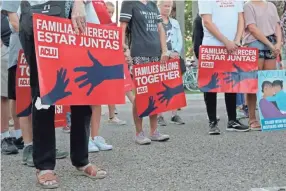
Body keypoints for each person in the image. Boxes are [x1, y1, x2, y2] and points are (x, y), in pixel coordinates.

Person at [17, 0, 106, 188]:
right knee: (43, 95)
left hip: (77, 21)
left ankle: (81, 159)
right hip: (38, 18)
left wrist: (80, 2)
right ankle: (45, 166)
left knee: (82, 94)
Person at [2, 0, 69, 166]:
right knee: (25, 99)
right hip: (23, 51)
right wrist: (35, 44)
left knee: (46, 98)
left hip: (46, 52)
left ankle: (46, 145)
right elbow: (14, 22)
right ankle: (29, 146)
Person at [120, 0, 170, 145]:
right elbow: (122, 27)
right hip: (139, 53)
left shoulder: (153, 5)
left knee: (154, 92)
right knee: (141, 94)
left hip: (156, 53)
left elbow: (160, 28)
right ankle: (139, 132)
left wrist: (164, 50)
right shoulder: (129, 3)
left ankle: (154, 131)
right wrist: (124, 48)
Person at [198, 0, 249, 135]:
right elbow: (207, 22)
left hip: (232, 46)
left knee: (231, 83)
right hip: (212, 46)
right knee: (211, 85)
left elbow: (240, 18)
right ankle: (212, 122)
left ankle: (232, 120)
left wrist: (237, 40)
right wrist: (226, 41)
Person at [243, 0, 282, 130]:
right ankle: (252, 118)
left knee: (269, 81)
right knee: (254, 82)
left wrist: (278, 43)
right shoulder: (248, 6)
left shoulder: (271, 5)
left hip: (271, 41)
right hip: (255, 43)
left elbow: (277, 26)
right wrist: (271, 45)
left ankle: (270, 117)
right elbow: (252, 28)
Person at [156, 0, 185, 126]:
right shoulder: (155, 21)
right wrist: (164, 52)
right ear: (159, 6)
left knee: (174, 85)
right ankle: (159, 115)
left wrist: (176, 52)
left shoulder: (175, 23)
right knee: (159, 85)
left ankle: (174, 114)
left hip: (173, 57)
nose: (167, 9)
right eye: (165, 6)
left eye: (170, 6)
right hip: (160, 57)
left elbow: (179, 39)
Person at [1, 14, 18, 155]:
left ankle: (18, 134)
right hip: (4, 45)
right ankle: (3, 136)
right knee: (3, 95)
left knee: (17, 92)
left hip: (15, 43)